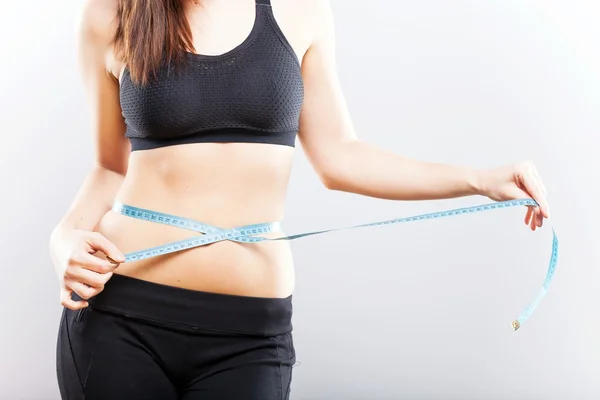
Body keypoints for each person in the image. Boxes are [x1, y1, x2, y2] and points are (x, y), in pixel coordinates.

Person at [49, 0, 550, 399]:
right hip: (121, 317)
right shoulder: (111, 13)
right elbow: (109, 167)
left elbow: (341, 158)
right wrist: (64, 239)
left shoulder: (300, 10)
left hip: (248, 334)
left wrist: (480, 179)